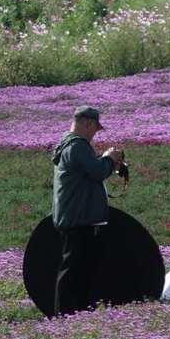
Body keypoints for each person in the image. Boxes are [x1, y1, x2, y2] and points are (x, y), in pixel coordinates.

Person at [51, 105, 123, 315]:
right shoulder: (77, 146)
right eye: (94, 129)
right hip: (78, 219)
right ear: (87, 123)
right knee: (72, 270)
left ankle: (76, 313)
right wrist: (109, 158)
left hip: (75, 217)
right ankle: (64, 314)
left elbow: (91, 172)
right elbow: (97, 171)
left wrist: (108, 163)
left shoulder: (69, 145)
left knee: (78, 269)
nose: (95, 134)